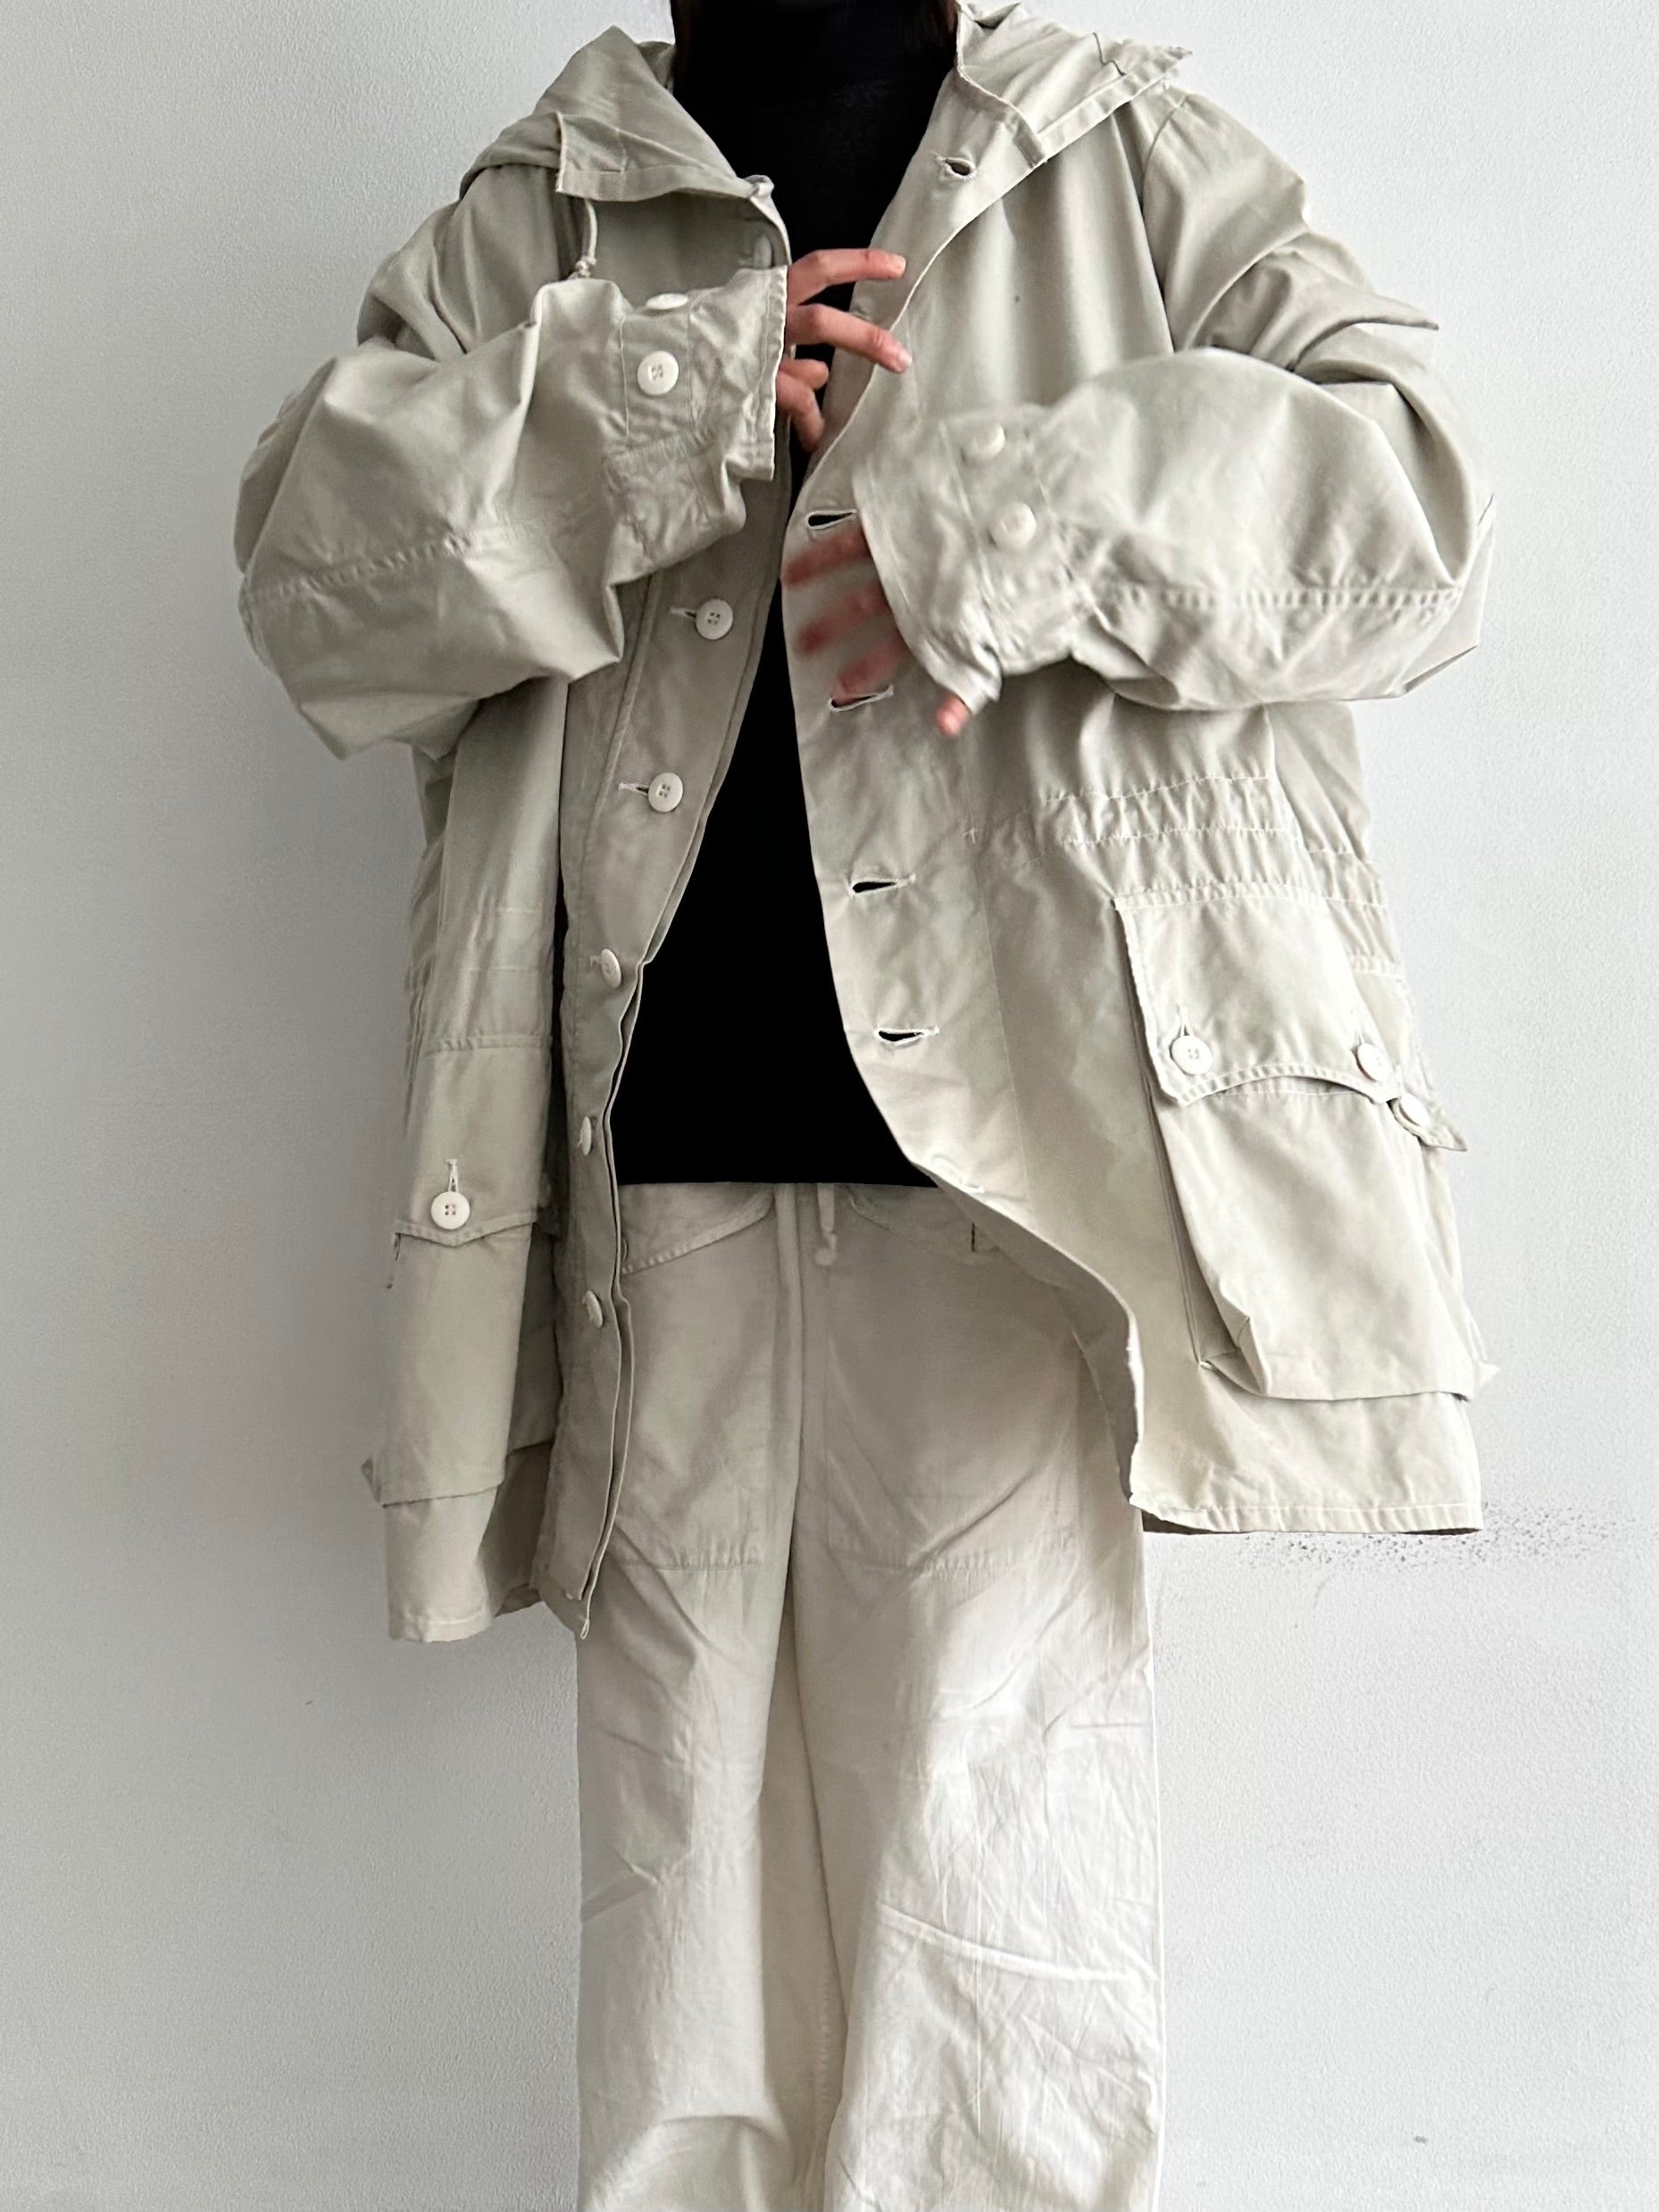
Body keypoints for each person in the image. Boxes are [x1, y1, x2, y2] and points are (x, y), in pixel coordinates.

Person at [230, 1, 1497, 2204]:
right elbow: (318, 578)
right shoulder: (544, 202)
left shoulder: (1127, 160)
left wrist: (989, 518)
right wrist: (661, 401)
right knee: (675, 1902)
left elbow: (1405, 513)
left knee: (988, 1874)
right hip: (645, 1184)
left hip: (1017, 1181)